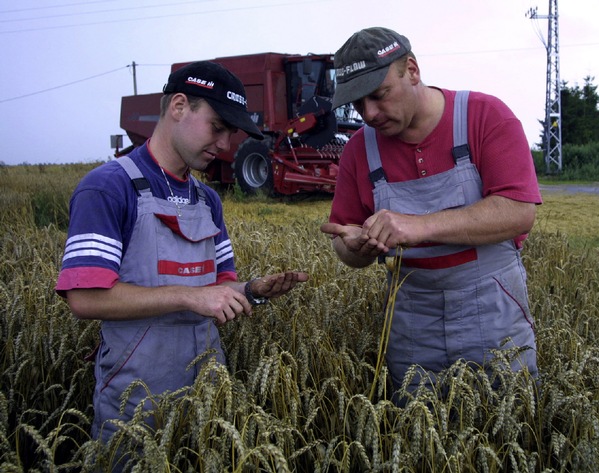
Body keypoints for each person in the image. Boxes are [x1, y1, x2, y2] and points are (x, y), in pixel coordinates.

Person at [55, 60, 309, 442]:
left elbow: (220, 290)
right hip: (134, 400)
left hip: (208, 395)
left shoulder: (207, 200)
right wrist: (190, 297)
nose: (225, 144)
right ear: (178, 107)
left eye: (231, 133)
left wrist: (252, 291)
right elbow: (84, 297)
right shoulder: (108, 187)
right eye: (218, 127)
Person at [320, 27, 541, 402]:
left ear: (412, 70)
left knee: (508, 424)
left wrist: (416, 227)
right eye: (357, 105)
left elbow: (519, 212)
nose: (369, 114)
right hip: (412, 324)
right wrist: (356, 248)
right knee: (418, 437)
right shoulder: (359, 150)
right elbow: (345, 239)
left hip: (493, 311)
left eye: (379, 95)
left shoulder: (485, 117)